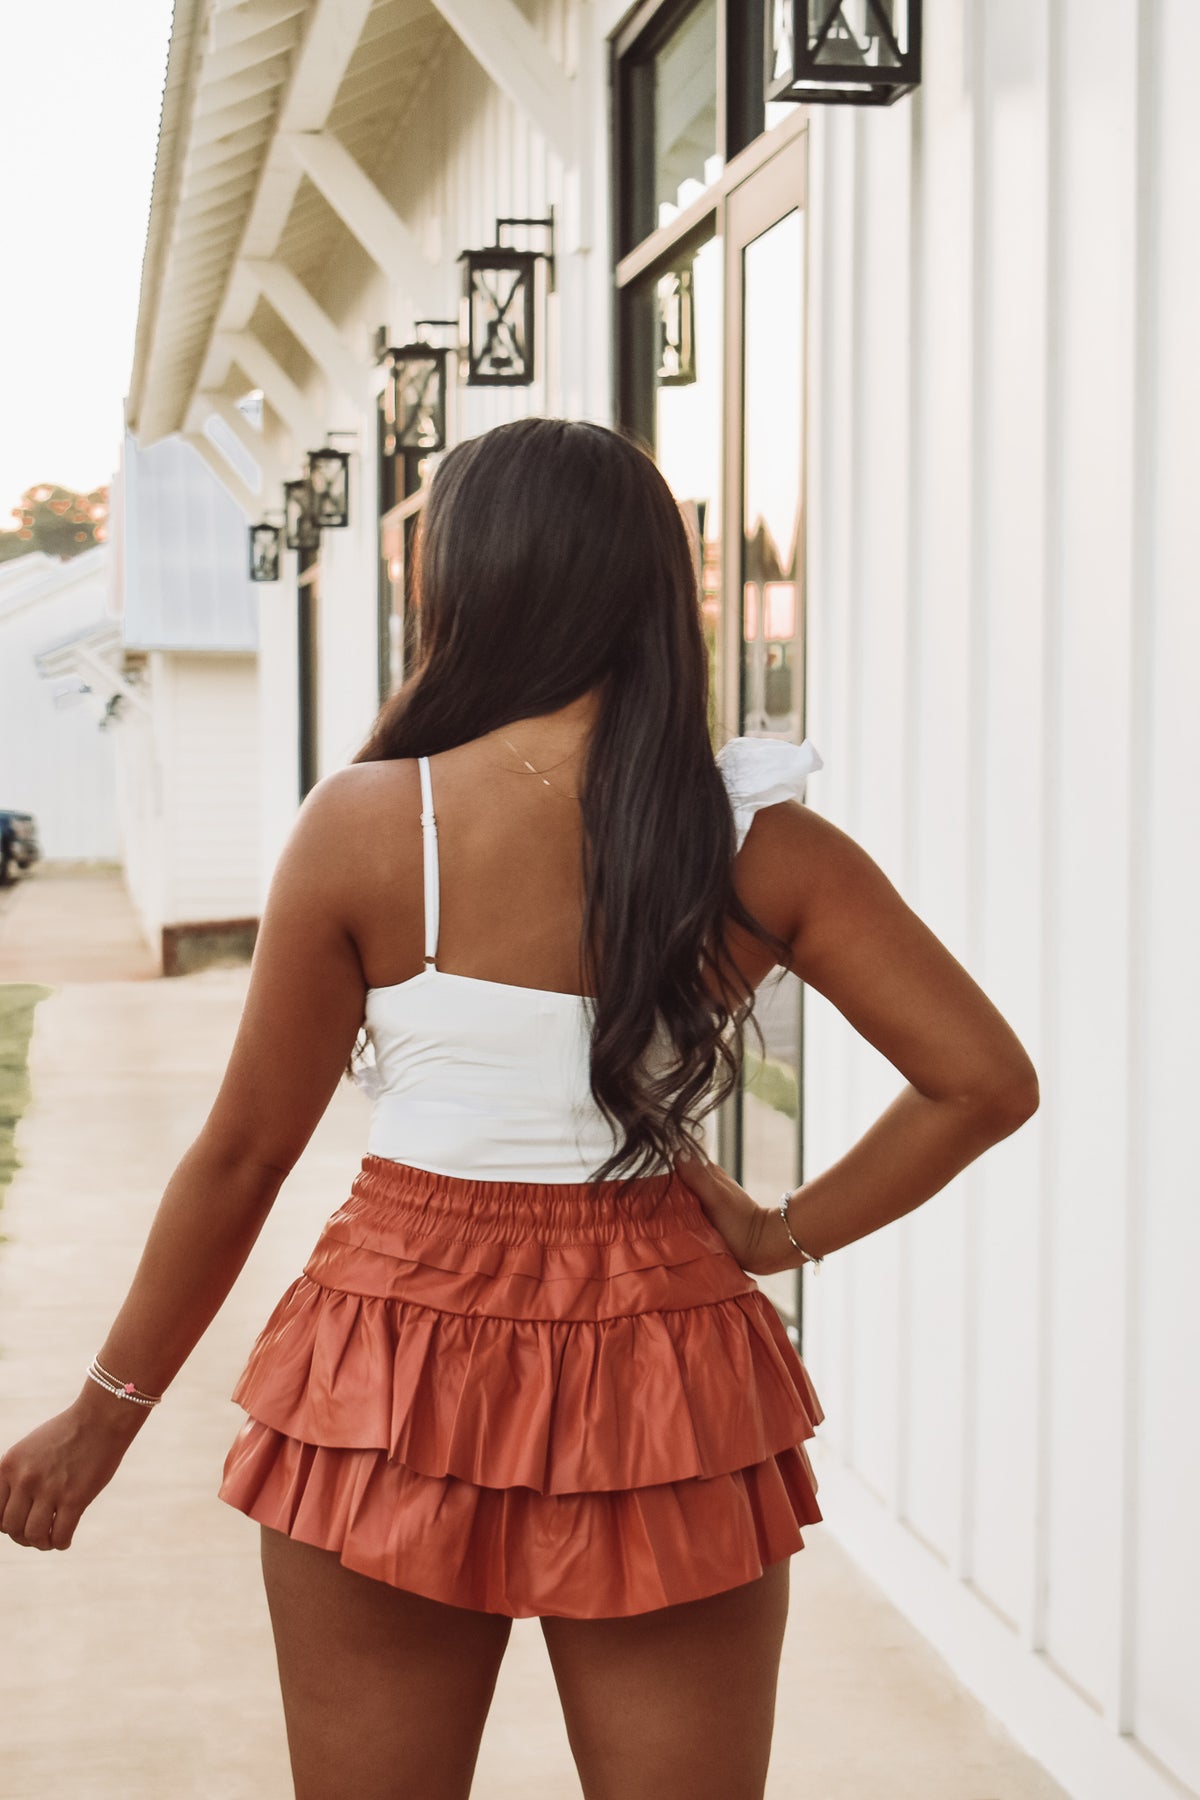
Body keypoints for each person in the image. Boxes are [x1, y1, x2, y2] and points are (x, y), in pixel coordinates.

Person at [0, 417, 1039, 1800]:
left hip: (392, 1362)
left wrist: (103, 1417)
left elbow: (245, 1156)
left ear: (468, 588)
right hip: (665, 1368)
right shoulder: (757, 838)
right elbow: (982, 1082)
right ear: (654, 591)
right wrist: (782, 1233)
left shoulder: (373, 824)